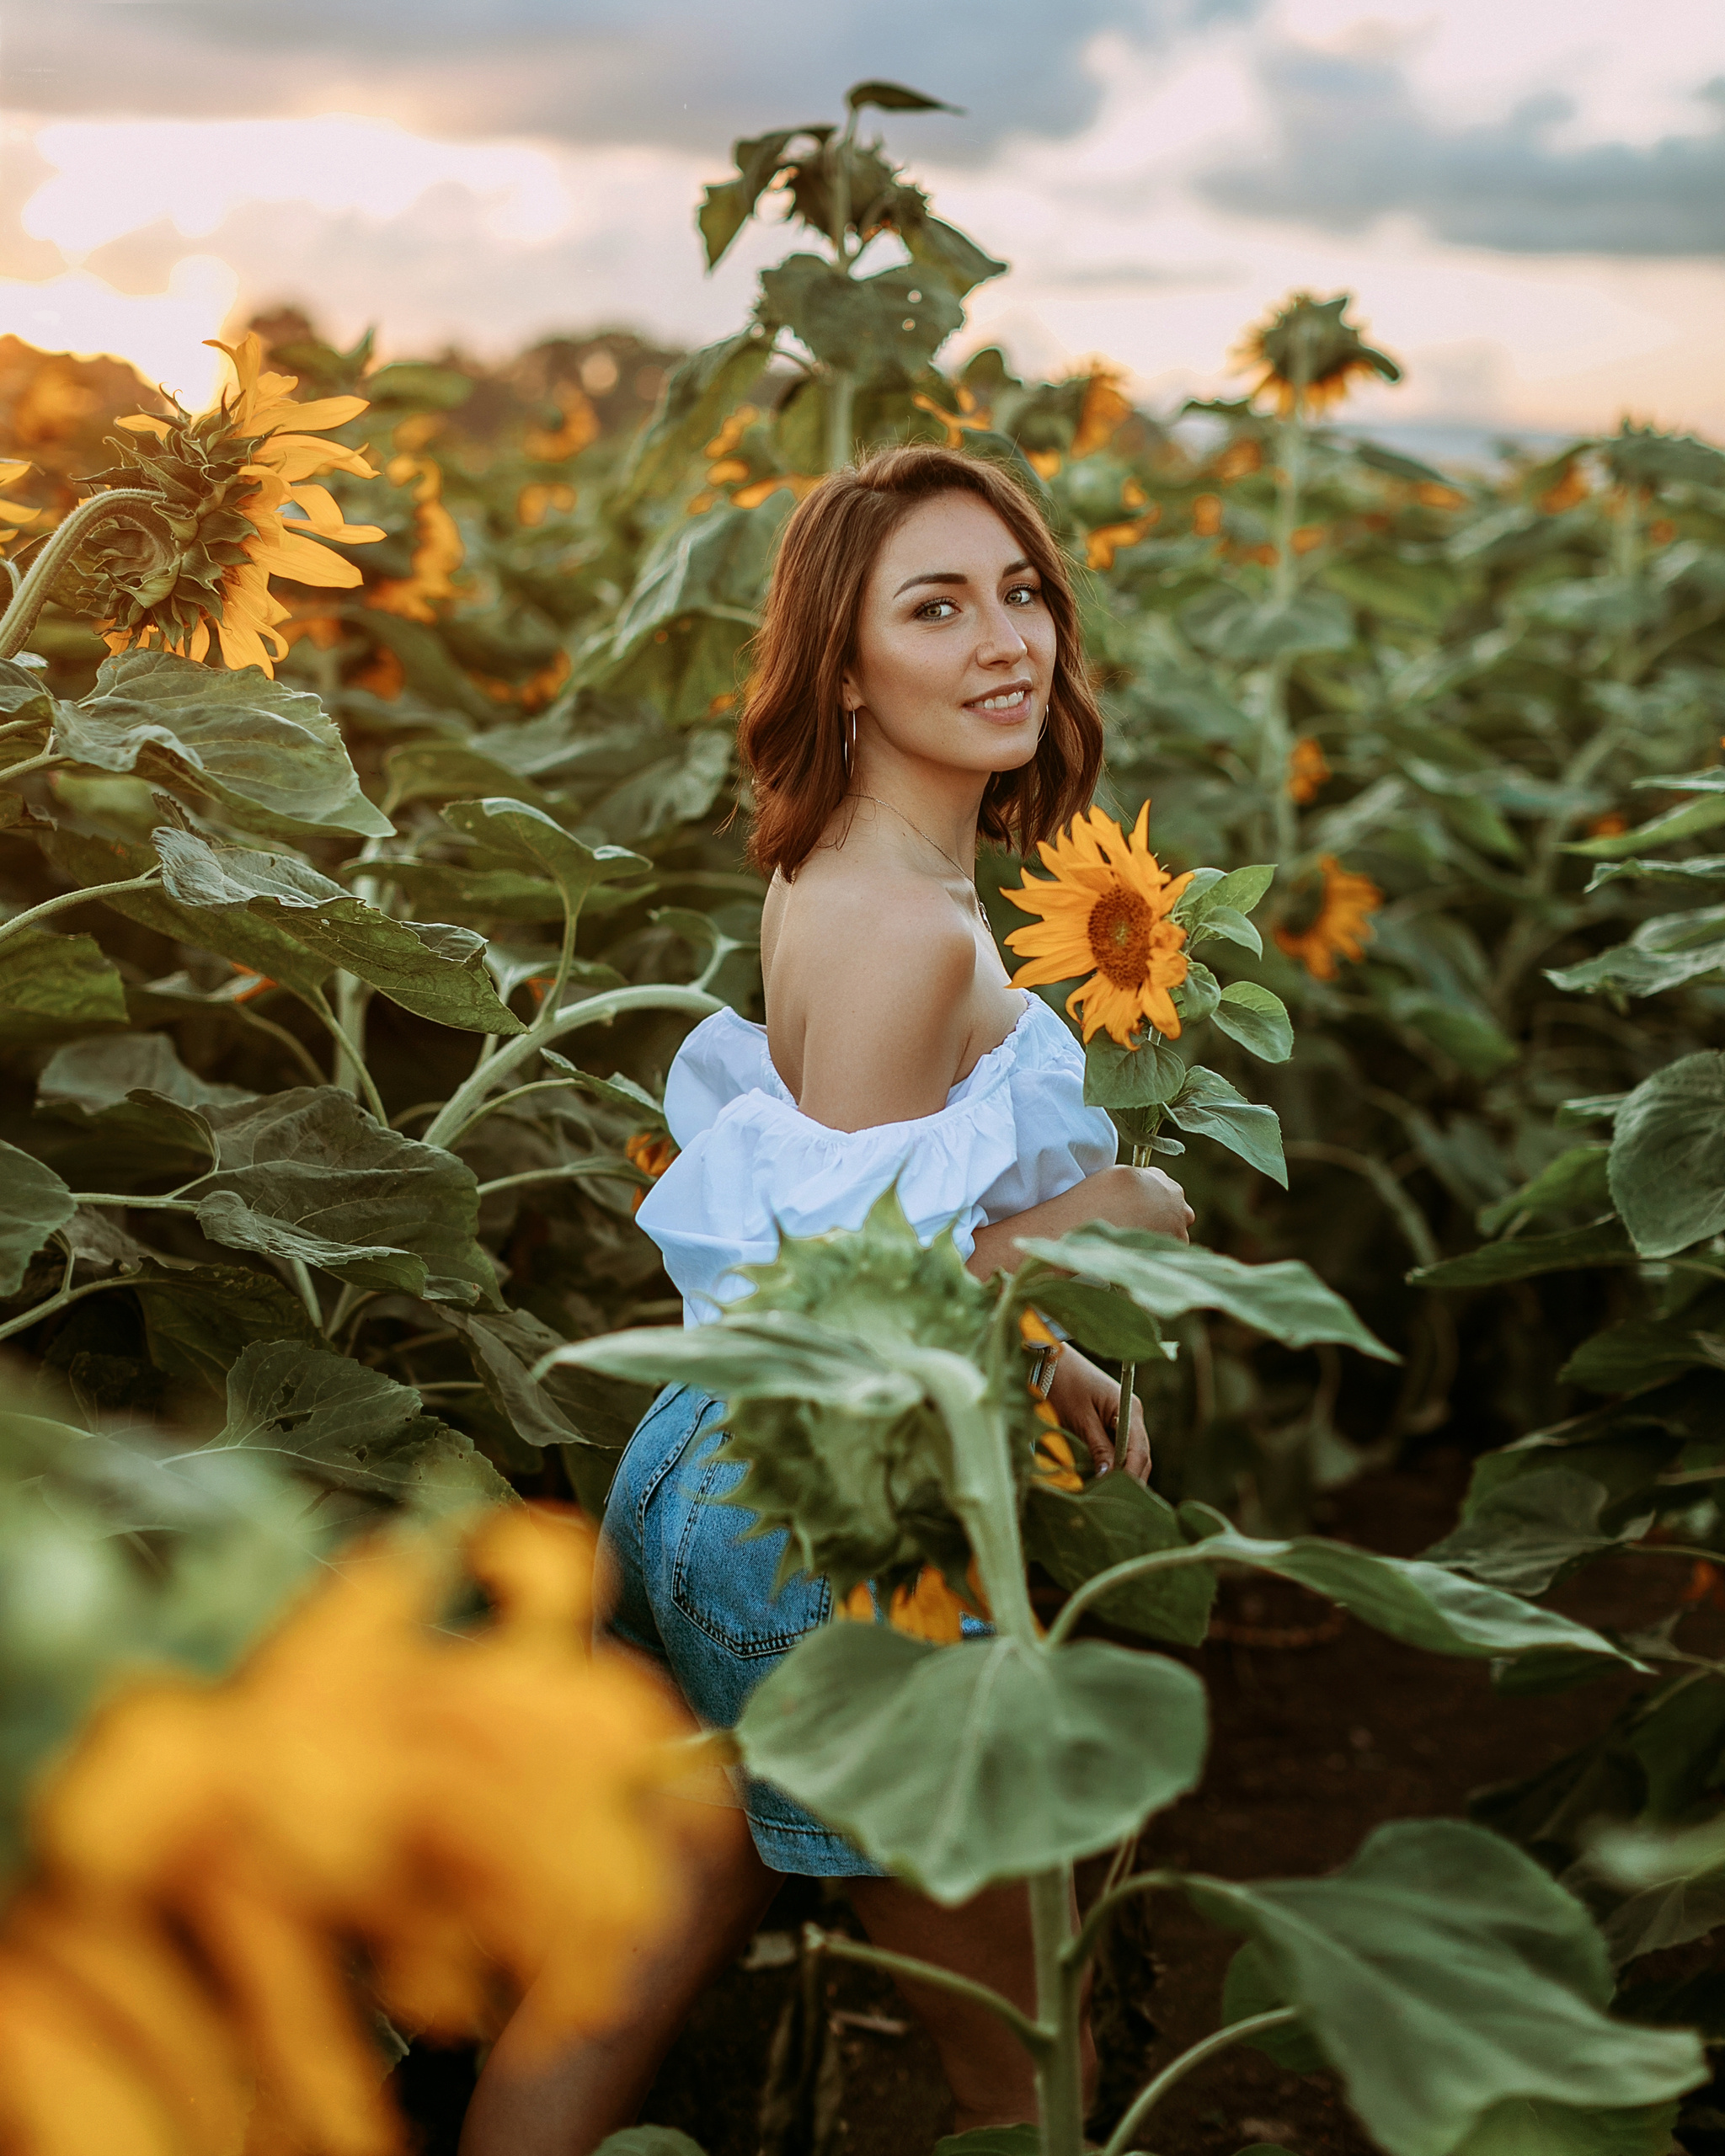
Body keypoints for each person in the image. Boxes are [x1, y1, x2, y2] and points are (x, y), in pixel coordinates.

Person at [461, 443, 1194, 2154]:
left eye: (1020, 592)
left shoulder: (849, 873)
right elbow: (841, 1296)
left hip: (698, 1472)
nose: (1003, 638)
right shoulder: (913, 934)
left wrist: (1043, 1339)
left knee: (609, 1980)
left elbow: (858, 1204)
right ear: (845, 667)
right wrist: (1101, 1216)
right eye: (935, 606)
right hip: (821, 1519)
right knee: (1029, 2062)